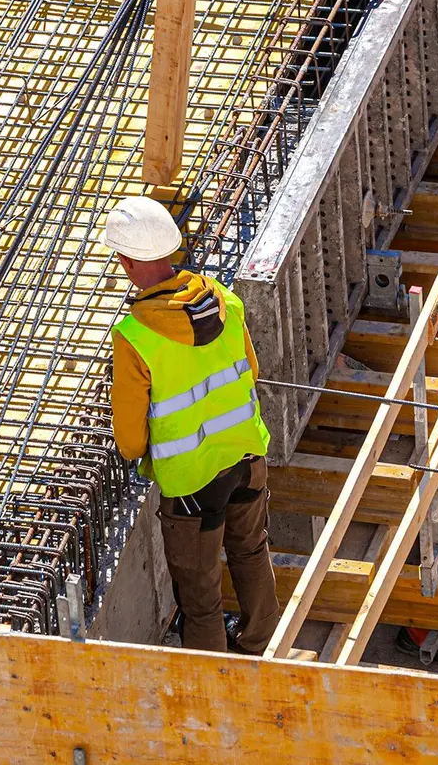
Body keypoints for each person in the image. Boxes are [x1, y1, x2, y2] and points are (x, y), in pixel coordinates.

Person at [103, 194, 280, 653]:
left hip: (191, 486)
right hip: (247, 455)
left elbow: (128, 442)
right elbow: (250, 371)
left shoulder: (136, 337)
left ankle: (213, 676)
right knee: (251, 550)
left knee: (200, 597)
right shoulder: (223, 299)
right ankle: (261, 643)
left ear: (124, 260)